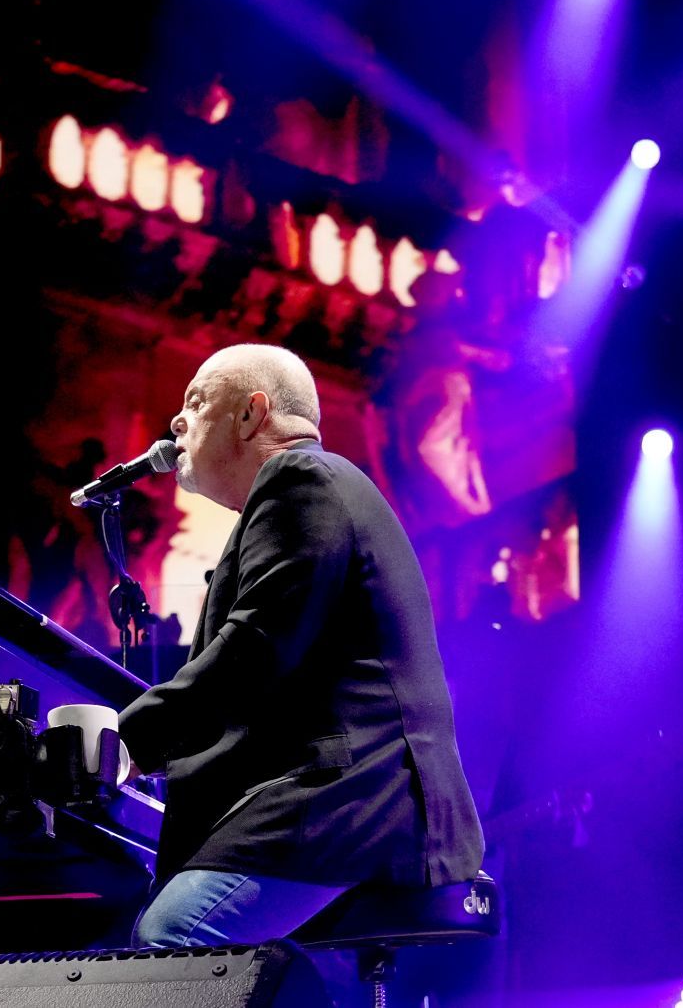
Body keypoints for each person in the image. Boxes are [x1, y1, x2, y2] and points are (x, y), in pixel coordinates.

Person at [117, 343, 484, 947]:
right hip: (349, 794)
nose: (177, 421)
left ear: (250, 414)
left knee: (173, 934)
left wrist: (126, 743)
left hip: (355, 796)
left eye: (196, 401)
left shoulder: (299, 479)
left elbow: (255, 651)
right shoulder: (302, 492)